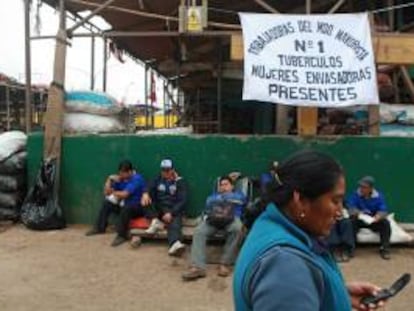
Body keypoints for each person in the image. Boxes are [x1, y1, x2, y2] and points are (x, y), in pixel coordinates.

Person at [233, 151, 385, 311]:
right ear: (300, 200)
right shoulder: (285, 265)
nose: (340, 211)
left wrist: (336, 294)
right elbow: (287, 286)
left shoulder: (270, 225)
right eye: (335, 201)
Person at [182, 176, 246, 281]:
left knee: (238, 229)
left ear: (232, 186)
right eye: (221, 185)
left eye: (226, 184)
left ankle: (225, 264)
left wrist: (225, 197)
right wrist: (221, 197)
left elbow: (241, 201)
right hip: (214, 220)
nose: (223, 187)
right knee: (199, 231)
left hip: (232, 219)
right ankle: (198, 267)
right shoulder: (213, 196)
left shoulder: (238, 195)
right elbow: (208, 204)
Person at [85, 160, 151, 247]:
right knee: (107, 203)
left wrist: (113, 192)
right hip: (124, 206)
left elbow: (125, 194)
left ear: (130, 172)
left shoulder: (137, 179)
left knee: (127, 207)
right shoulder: (121, 179)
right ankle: (100, 227)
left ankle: (122, 235)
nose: (121, 175)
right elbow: (106, 192)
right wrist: (109, 179)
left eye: (123, 173)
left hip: (137, 208)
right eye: (120, 173)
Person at [134, 159, 188, 256]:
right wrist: (145, 193)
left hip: (172, 210)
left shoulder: (180, 182)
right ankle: (156, 221)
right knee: (144, 200)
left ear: (172, 170)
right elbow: (148, 186)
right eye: (163, 170)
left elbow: (182, 201)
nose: (165, 172)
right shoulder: (158, 179)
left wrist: (171, 213)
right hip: (159, 209)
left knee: (174, 224)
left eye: (168, 170)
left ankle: (174, 244)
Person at [348, 176, 391, 260]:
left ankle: (384, 249)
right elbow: (350, 207)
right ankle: (350, 249)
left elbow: (383, 209)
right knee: (350, 222)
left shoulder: (378, 196)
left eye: (364, 187)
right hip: (359, 219)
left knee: (385, 223)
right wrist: (358, 213)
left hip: (373, 220)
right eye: (361, 186)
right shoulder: (355, 194)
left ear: (371, 188)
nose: (362, 189)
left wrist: (378, 216)